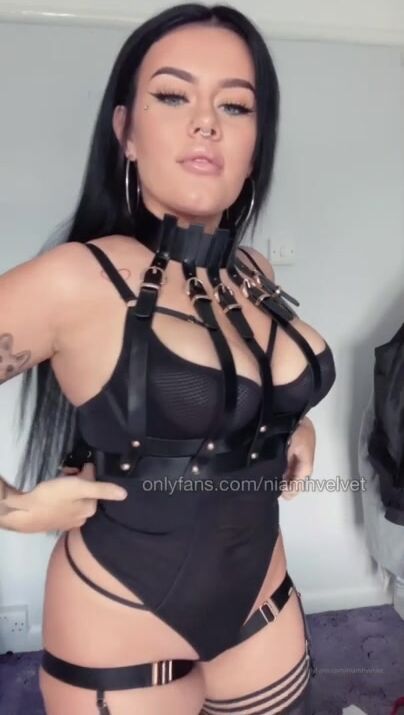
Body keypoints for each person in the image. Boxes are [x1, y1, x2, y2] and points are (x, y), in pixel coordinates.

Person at [0, 4, 336, 714]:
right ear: (126, 132)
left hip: (262, 600)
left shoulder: (251, 271)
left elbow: (245, 391)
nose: (206, 122)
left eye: (235, 106)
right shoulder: (78, 278)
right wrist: (13, 508)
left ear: (256, 144)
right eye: (174, 95)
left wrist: (291, 426)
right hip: (119, 614)